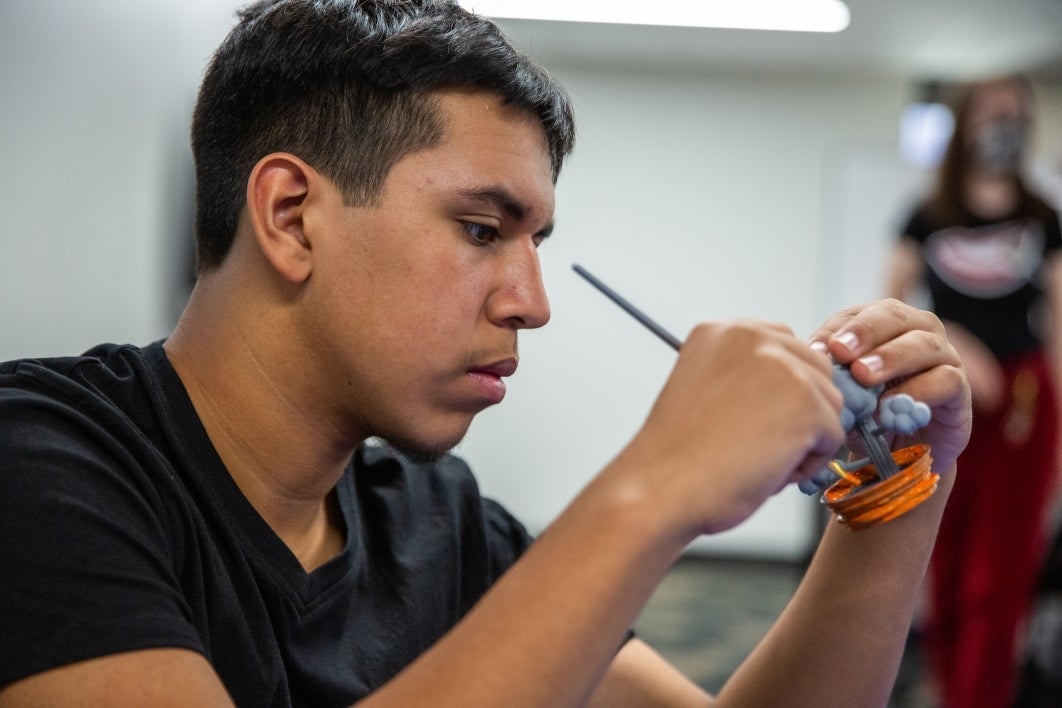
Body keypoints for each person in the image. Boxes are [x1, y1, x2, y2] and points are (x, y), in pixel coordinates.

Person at [0, 1, 971, 706]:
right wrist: (655, 487)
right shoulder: (41, 464)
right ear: (293, 216)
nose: (532, 304)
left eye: (534, 244)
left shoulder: (440, 525)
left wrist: (896, 501)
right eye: (479, 230)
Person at [886, 74, 1062, 708]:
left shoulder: (1043, 219)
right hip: (941, 395)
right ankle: (947, 686)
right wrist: (951, 335)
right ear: (966, 123)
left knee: (1001, 574)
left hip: (1022, 409)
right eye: (992, 113)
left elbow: (1060, 330)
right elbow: (888, 308)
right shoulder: (925, 215)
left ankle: (977, 697)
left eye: (1016, 113)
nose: (1003, 124)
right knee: (942, 564)